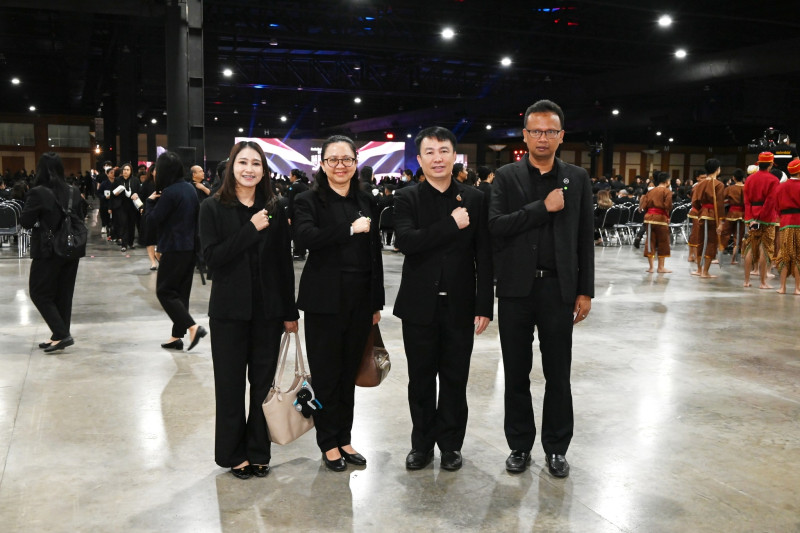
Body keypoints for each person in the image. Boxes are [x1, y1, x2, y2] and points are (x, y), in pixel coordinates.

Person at [488, 99, 594, 478]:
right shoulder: (506, 177)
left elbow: (584, 238)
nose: (543, 138)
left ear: (561, 136)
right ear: (525, 135)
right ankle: (519, 445)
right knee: (516, 372)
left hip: (558, 289)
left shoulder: (577, 178)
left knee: (558, 374)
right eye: (536, 131)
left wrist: (585, 290)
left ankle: (556, 448)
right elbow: (495, 226)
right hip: (515, 291)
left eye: (550, 131)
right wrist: (541, 208)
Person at [393, 126, 493, 471]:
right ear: (420, 159)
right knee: (420, 380)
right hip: (418, 305)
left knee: (454, 379)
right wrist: (451, 224)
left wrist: (484, 305)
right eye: (430, 152)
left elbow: (484, 255)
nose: (438, 158)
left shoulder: (475, 198)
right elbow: (406, 242)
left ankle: (450, 445)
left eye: (444, 151)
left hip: (460, 306)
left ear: (454, 156)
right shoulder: (406, 197)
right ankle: (421, 445)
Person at [199, 141, 299, 479]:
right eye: (243, 162)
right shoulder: (212, 207)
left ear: (264, 171)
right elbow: (212, 259)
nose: (249, 169)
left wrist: (290, 312)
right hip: (228, 313)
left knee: (262, 385)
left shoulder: (275, 207)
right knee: (229, 387)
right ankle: (232, 454)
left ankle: (258, 451)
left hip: (268, 313)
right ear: (232, 167)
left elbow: (284, 263)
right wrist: (250, 229)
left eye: (256, 163)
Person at [294, 135, 384, 472]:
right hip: (324, 301)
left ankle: (345, 438)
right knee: (326, 375)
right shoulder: (308, 200)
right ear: (322, 164)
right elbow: (305, 238)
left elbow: (374, 253)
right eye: (333, 159)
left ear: (356, 163)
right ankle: (328, 442)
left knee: (349, 373)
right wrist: (348, 229)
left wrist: (376, 302)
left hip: (360, 300)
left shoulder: (366, 199)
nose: (340, 165)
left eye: (347, 159)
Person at [20, 153, 87, 353]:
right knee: (64, 294)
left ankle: (62, 333)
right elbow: (79, 217)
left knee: (39, 292)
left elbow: (26, 222)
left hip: (47, 250)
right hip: (71, 247)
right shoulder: (74, 191)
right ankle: (59, 336)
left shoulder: (38, 192)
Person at [145, 152, 206, 351]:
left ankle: (193, 327)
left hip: (173, 248)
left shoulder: (170, 193)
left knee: (164, 292)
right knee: (181, 294)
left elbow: (152, 221)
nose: (155, 173)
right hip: (190, 248)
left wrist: (149, 202)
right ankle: (176, 337)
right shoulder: (189, 189)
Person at [743, 152, 780, 289]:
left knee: (750, 246)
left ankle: (746, 281)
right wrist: (760, 217)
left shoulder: (750, 179)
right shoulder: (773, 180)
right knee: (765, 248)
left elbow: (746, 200)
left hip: (751, 216)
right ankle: (763, 282)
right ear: (770, 165)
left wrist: (751, 217)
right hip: (766, 218)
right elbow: (770, 201)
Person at [691, 159, 725, 278]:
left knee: (700, 241)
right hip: (713, 215)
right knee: (711, 242)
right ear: (717, 169)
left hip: (702, 213)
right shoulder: (719, 184)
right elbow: (719, 205)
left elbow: (695, 201)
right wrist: (721, 222)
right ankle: (705, 272)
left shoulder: (700, 184)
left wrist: (701, 209)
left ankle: (699, 270)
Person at [774, 158, 800, 294]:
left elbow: (776, 206)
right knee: (798, 255)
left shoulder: (781, 187)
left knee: (785, 254)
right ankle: (797, 288)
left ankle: (782, 287)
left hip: (785, 223)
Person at [640, 171, 673, 273]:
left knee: (650, 241)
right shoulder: (667, 191)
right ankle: (660, 267)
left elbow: (644, 205)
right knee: (663, 242)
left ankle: (651, 268)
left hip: (649, 218)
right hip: (661, 218)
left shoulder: (650, 191)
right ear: (667, 181)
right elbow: (668, 206)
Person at [720, 169, 746, 264]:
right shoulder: (746, 188)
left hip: (732, 213)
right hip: (743, 214)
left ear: (733, 178)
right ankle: (734, 259)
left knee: (725, 234)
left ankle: (719, 257)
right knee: (738, 235)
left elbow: (722, 199)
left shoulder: (730, 188)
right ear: (743, 178)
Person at [138, 164, 159, 270]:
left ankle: (158, 255)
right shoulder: (147, 183)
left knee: (161, 237)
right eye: (156, 170)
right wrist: (142, 207)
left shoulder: (166, 182)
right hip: (149, 211)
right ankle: (152, 262)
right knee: (150, 237)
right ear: (151, 172)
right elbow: (141, 198)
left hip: (162, 211)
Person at [286, 168, 308, 260]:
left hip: (296, 214)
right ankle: (302, 252)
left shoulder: (293, 187)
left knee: (296, 233)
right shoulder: (305, 186)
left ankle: (298, 253)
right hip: (305, 213)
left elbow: (290, 202)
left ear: (294, 176)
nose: (289, 177)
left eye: (290, 175)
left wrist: (289, 216)